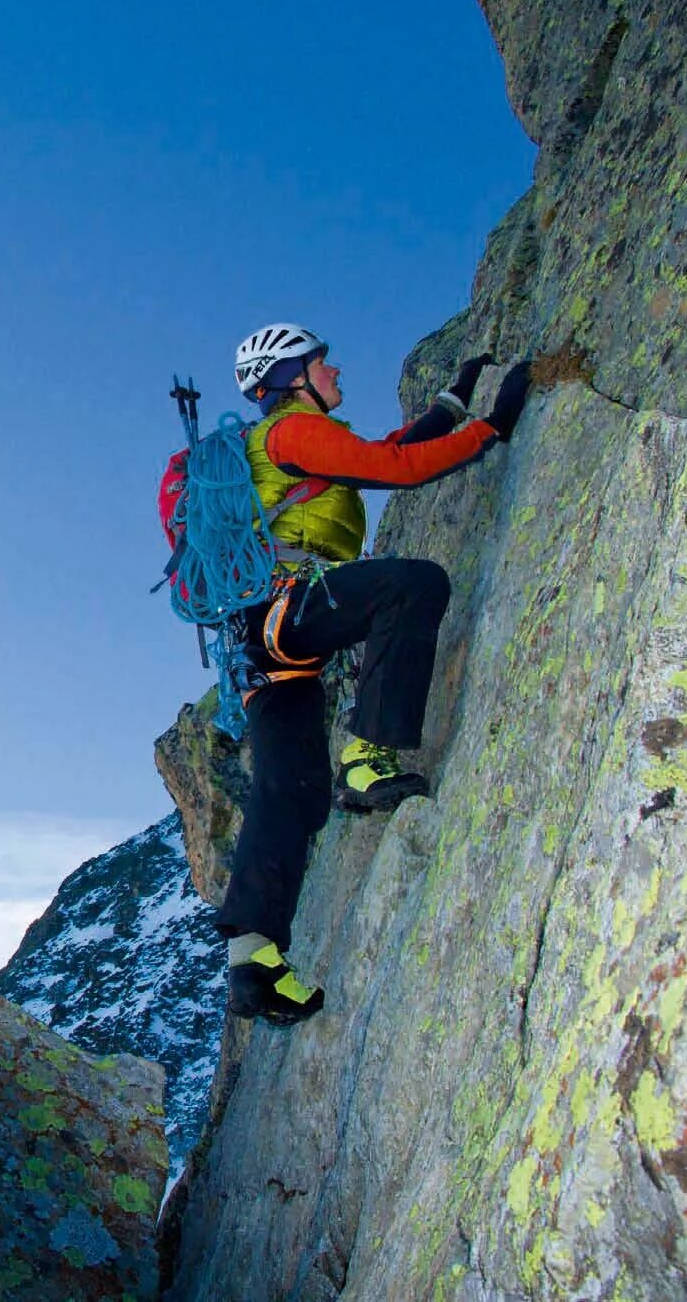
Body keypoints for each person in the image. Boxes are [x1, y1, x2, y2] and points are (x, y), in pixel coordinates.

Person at [218, 323, 530, 1025]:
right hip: (289, 610)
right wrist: (493, 427)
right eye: (321, 363)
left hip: (262, 640)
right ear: (290, 377)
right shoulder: (289, 431)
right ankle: (368, 755)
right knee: (411, 584)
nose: (334, 372)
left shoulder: (285, 442)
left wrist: (448, 407)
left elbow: (379, 453)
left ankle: (254, 959)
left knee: (289, 790)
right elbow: (394, 471)